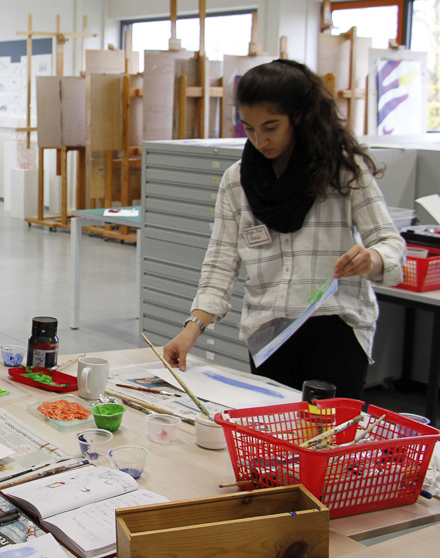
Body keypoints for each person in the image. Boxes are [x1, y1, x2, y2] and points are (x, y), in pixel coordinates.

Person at [162, 59, 406, 401]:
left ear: (298, 117)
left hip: (336, 330)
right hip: (270, 335)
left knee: (329, 431)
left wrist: (373, 258)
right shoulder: (237, 181)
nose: (260, 139)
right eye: (249, 129)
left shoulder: (340, 171)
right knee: (275, 431)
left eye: (270, 127)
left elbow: (390, 242)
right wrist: (193, 328)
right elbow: (220, 263)